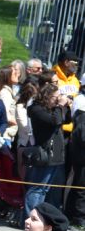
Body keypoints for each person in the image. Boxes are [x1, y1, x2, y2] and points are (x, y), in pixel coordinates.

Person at [24, 83, 69, 215]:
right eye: (56, 97)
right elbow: (55, 121)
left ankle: (37, 218)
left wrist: (66, 107)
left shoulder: (53, 109)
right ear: (47, 96)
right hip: (45, 153)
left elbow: (65, 120)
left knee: (45, 189)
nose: (58, 99)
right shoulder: (37, 109)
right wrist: (60, 106)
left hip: (55, 154)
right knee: (37, 188)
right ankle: (29, 218)